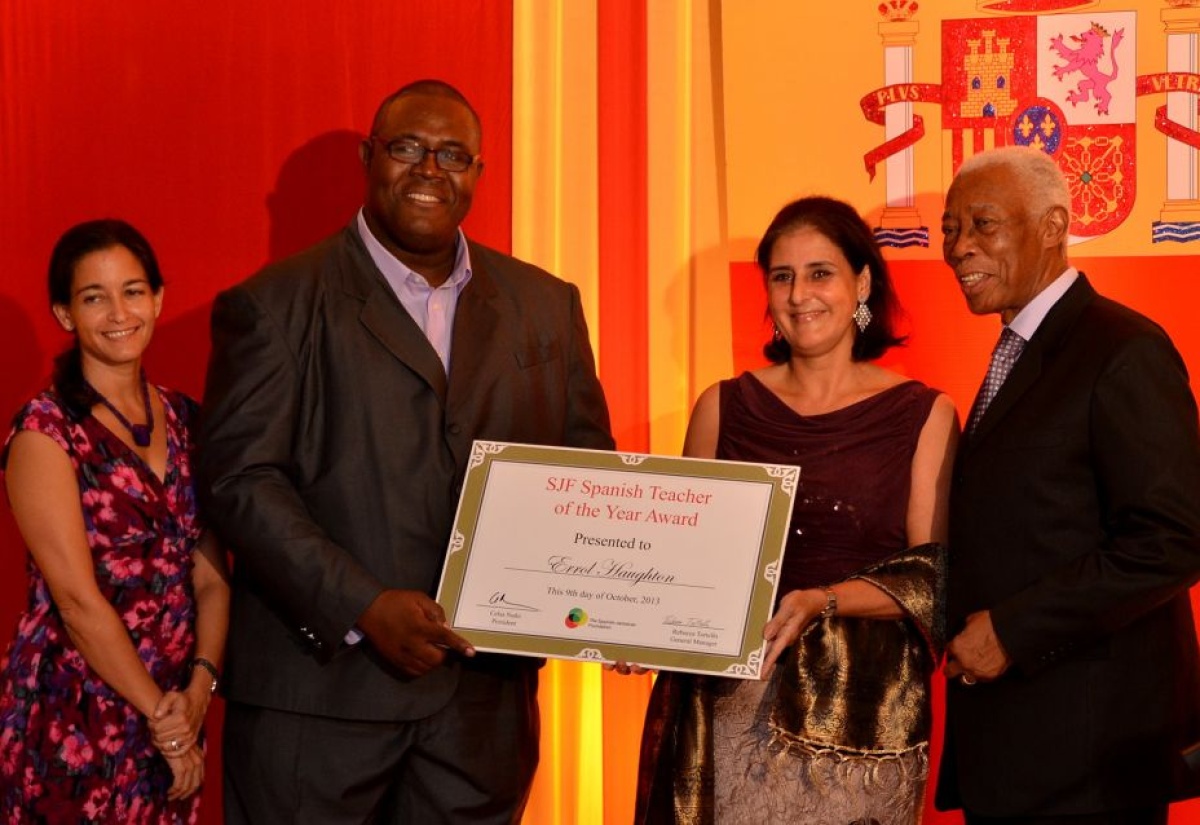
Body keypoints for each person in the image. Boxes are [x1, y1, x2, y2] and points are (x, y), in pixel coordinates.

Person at [198, 79, 613, 824]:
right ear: (370, 157)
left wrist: (615, 607)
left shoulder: (546, 305)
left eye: (453, 154)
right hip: (320, 702)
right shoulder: (276, 302)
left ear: (479, 172)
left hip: (482, 709)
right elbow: (241, 480)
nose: (430, 170)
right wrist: (362, 604)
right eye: (408, 148)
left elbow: (583, 472)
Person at [634, 196, 958, 823]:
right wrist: (637, 626)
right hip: (725, 709)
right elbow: (680, 562)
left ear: (861, 281)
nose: (799, 293)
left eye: (820, 273)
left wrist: (823, 598)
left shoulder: (924, 415)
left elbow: (932, 579)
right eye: (781, 276)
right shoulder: (722, 407)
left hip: (859, 723)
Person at [936, 146, 1200, 823]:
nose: (959, 247)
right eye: (949, 228)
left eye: (982, 224)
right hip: (1019, 750)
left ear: (1053, 226)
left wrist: (1013, 631)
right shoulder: (1019, 349)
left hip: (1091, 758)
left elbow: (1172, 540)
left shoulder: (1123, 348)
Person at [0, 219, 230, 822]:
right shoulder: (44, 433)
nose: (118, 311)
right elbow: (77, 603)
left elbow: (210, 573)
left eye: (132, 290)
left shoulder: (186, 419)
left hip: (176, 707)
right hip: (75, 714)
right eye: (93, 296)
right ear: (65, 314)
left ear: (158, 298)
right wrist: (167, 723)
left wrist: (199, 693)